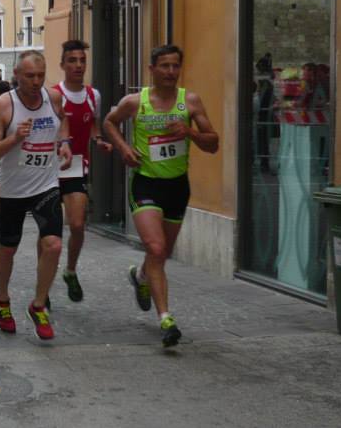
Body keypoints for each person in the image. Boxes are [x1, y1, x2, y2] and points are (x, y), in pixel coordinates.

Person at [102, 44, 219, 347]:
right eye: (164, 66)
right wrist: (124, 148)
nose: (170, 72)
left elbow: (213, 143)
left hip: (177, 187)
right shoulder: (135, 102)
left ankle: (141, 277)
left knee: (161, 254)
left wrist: (190, 132)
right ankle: (166, 319)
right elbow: (109, 122)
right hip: (146, 184)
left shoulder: (190, 101)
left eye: (175, 66)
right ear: (152, 69)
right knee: (156, 247)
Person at [0, 50, 72, 340]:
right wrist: (14, 138)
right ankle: (2, 299)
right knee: (8, 248)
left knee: (53, 245)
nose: (36, 82)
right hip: (13, 190)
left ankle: (38, 304)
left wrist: (65, 143)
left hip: (46, 186)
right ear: (16, 75)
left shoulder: (53, 98)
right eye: (30, 76)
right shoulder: (3, 105)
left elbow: (63, 120)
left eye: (40, 76)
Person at [48, 40, 113, 303]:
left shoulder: (93, 95)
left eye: (82, 60)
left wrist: (98, 140)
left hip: (76, 167)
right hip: (50, 170)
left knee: (77, 225)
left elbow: (93, 124)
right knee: (49, 233)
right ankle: (44, 285)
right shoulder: (53, 95)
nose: (78, 65)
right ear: (62, 65)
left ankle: (70, 271)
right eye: (72, 60)